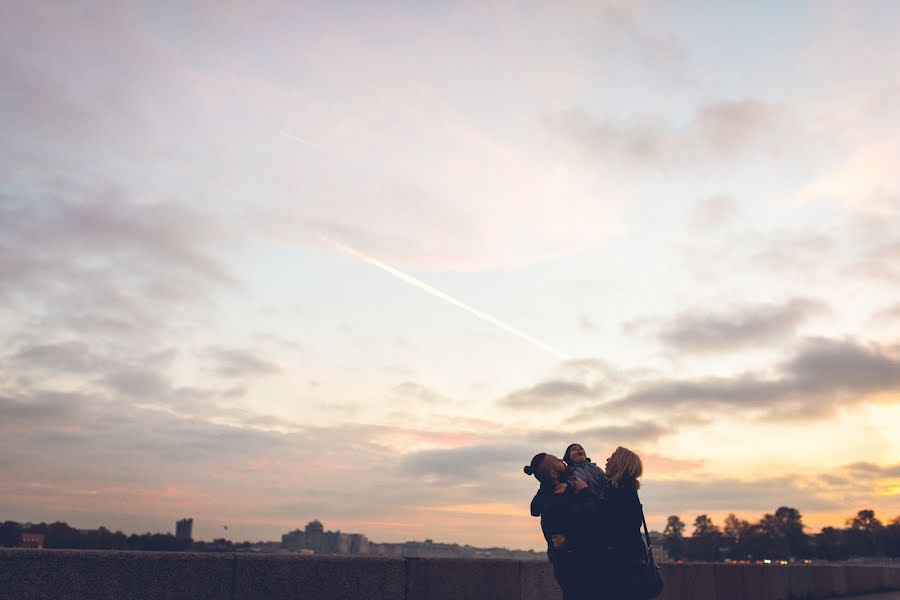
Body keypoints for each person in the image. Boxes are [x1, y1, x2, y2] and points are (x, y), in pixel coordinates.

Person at [524, 453, 604, 600]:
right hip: (580, 567)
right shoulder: (560, 499)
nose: (563, 462)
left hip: (569, 566)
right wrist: (585, 492)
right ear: (554, 473)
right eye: (558, 461)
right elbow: (592, 522)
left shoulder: (550, 494)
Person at [599, 446, 648, 600]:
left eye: (612, 457)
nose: (607, 460)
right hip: (628, 564)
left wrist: (585, 493)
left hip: (621, 567)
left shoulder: (619, 493)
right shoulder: (626, 491)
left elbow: (605, 523)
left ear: (620, 464)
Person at [530, 442, 607, 518]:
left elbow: (605, 480)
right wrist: (573, 487)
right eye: (557, 460)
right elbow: (591, 513)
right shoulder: (568, 478)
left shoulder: (594, 468)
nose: (561, 461)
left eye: (580, 448)